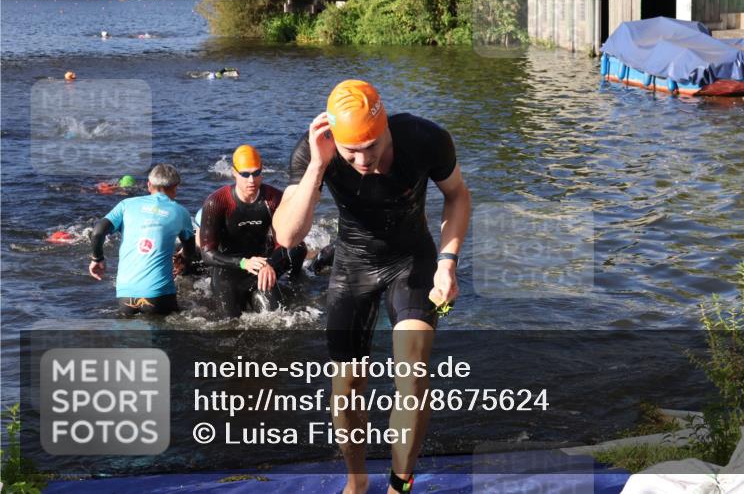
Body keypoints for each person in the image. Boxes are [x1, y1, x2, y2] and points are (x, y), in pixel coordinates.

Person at [273, 80, 471, 494]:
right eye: (352, 151)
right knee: (347, 385)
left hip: (411, 260)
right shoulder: (314, 150)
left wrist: (448, 262)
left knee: (412, 376)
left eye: (373, 146)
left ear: (386, 128)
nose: (364, 159)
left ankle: (400, 484)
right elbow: (288, 237)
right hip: (352, 265)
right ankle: (356, 480)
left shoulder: (424, 138)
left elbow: (457, 196)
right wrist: (317, 166)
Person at [200, 144, 305, 319]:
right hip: (228, 269)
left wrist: (270, 263)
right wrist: (243, 263)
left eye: (256, 173)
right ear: (234, 173)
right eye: (245, 174)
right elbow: (207, 254)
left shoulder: (273, 199)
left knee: (279, 319)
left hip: (262, 266)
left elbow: (288, 241)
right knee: (229, 326)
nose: (251, 180)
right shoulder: (217, 202)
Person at [89, 164, 196, 317]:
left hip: (125, 295)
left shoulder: (126, 205)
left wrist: (97, 258)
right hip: (159, 295)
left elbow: (97, 232)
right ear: (175, 187)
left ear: (148, 185)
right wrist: (183, 266)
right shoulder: (180, 212)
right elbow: (190, 252)